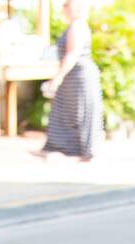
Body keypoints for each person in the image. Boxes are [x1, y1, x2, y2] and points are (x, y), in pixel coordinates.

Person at [40, 0, 102, 162]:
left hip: (78, 76)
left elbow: (72, 54)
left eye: (67, 5)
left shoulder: (77, 26)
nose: (64, 8)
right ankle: (68, 149)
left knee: (78, 113)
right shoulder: (76, 25)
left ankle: (82, 152)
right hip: (73, 77)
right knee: (67, 113)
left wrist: (58, 77)